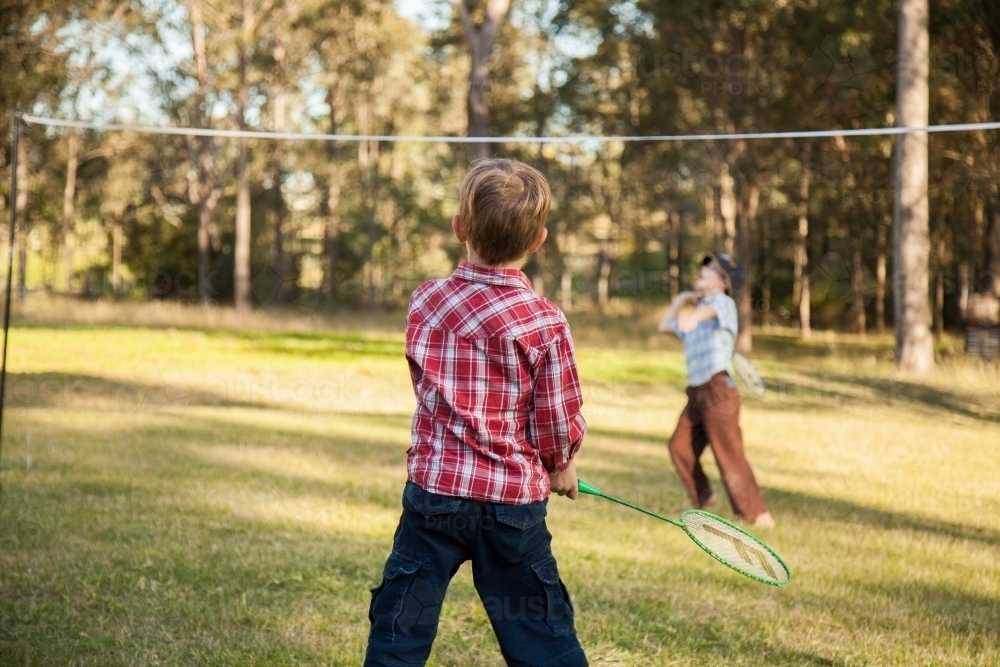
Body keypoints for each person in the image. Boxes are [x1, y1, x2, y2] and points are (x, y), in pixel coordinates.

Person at [364, 158, 589, 667]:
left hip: (435, 498)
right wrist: (561, 463)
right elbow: (554, 414)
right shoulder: (544, 320)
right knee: (540, 633)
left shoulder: (427, 301)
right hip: (512, 506)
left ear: (459, 228)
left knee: (401, 625)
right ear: (539, 240)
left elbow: (425, 381)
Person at [658, 253, 775, 529]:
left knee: (729, 453)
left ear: (723, 283)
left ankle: (758, 514)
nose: (701, 271)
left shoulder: (723, 305)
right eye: (703, 267)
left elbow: (711, 310)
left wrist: (695, 313)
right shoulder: (695, 312)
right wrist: (682, 301)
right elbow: (664, 326)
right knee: (679, 447)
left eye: (709, 270)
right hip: (697, 393)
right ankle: (704, 496)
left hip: (719, 390)